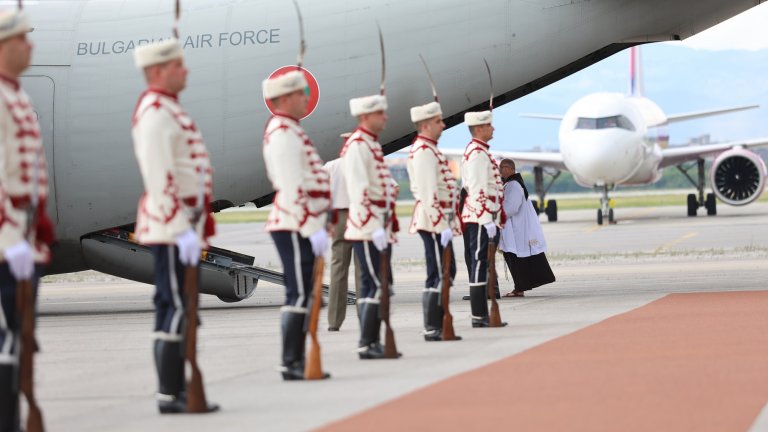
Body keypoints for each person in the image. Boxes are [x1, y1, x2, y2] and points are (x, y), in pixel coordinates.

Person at [131, 38, 219, 412]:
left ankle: (178, 389)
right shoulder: (155, 112)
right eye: (176, 65)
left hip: (183, 226)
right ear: (156, 72)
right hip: (171, 228)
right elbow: (159, 175)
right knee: (173, 305)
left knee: (182, 305)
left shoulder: (169, 109)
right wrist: (179, 226)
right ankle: (170, 393)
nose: (185, 71)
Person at [0, 9, 55, 429]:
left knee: (21, 338)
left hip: (23, 238)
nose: (30, 46)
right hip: (7, 242)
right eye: (23, 39)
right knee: (6, 338)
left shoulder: (15, 95)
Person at [262, 69, 331, 380]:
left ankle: (296, 360)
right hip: (293, 222)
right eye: (301, 94)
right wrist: (310, 227)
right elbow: (292, 186)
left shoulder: (291, 130)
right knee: (300, 292)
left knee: (303, 292)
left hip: (299, 222)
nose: (306, 99)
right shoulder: (283, 132)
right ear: (285, 98)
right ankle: (291, 361)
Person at [341, 94, 398, 359]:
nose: (384, 117)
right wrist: (374, 226)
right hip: (366, 228)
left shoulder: (370, 145)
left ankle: (371, 341)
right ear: (366, 117)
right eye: (379, 113)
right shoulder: (358, 146)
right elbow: (359, 190)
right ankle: (367, 342)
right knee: (374, 283)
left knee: (375, 284)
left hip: (376, 227)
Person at [406, 101, 460, 341]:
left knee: (446, 271)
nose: (443, 124)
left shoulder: (430, 149)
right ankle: (432, 326)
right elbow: (429, 194)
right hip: (432, 222)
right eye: (438, 121)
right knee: (437, 272)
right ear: (426, 125)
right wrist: (441, 227)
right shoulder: (424, 151)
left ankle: (438, 322)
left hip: (438, 221)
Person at [460, 111, 506, 327]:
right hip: (480, 217)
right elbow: (477, 189)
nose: (493, 129)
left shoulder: (481, 151)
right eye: (489, 126)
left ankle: (481, 315)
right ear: (478, 129)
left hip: (484, 216)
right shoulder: (477, 153)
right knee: (480, 264)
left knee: (483, 263)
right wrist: (487, 218)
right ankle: (479, 315)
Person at [498, 159, 555, 297]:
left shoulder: (513, 185)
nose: (500, 171)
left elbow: (511, 207)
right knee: (515, 259)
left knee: (517, 260)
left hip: (517, 230)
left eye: (501, 168)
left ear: (508, 169)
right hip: (516, 228)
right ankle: (519, 287)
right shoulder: (513, 184)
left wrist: (495, 213)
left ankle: (519, 288)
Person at [325, 135, 362, 332]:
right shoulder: (363, 165)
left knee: (338, 269)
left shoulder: (332, 166)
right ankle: (364, 314)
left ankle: (334, 321)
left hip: (338, 217)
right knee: (361, 269)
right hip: (359, 215)